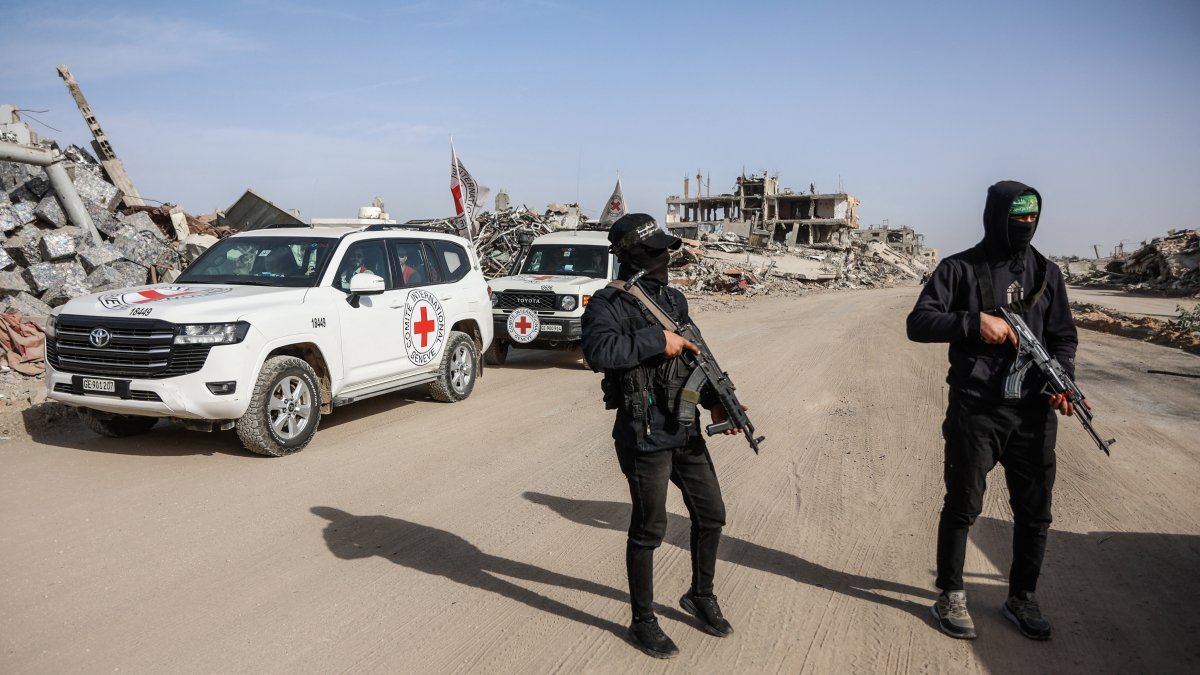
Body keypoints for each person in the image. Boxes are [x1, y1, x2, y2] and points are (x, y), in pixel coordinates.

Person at [906, 181, 1081, 642]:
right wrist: (973, 322)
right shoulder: (958, 268)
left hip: (1033, 415)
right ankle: (950, 593)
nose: (1026, 227)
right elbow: (918, 323)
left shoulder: (1048, 274)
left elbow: (1063, 337)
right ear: (996, 217)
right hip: (976, 409)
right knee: (963, 506)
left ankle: (1022, 596)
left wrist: (1062, 379)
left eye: (1032, 219)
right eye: (1017, 219)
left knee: (1035, 513)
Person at [581, 213, 741, 659]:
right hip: (644, 433)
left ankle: (701, 595)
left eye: (666, 251)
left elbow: (692, 359)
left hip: (684, 428)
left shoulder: (673, 299)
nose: (665, 259)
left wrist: (715, 399)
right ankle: (643, 620)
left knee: (711, 514)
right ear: (633, 255)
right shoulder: (607, 304)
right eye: (656, 252)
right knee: (650, 529)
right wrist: (656, 341)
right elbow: (598, 352)